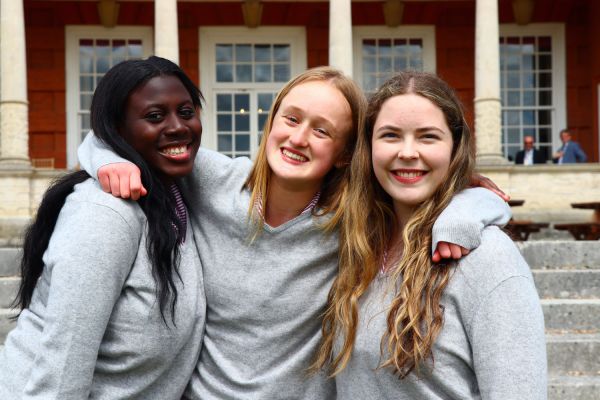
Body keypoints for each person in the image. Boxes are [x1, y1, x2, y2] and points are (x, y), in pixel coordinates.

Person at [78, 67, 511, 399]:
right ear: (272, 122)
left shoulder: (354, 219)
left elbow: (467, 194)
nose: (298, 138)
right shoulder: (212, 180)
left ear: (344, 154)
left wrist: (465, 210)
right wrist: (106, 162)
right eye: (291, 118)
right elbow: (118, 137)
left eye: (322, 130)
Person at [313, 71, 547, 399]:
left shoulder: (488, 260)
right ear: (368, 147)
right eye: (391, 135)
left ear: (454, 148)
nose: (408, 152)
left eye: (428, 137)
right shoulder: (355, 249)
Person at [0, 57, 206, 399]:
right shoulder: (104, 215)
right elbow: (62, 370)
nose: (177, 127)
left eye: (186, 112)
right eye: (155, 116)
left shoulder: (178, 199)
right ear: (116, 131)